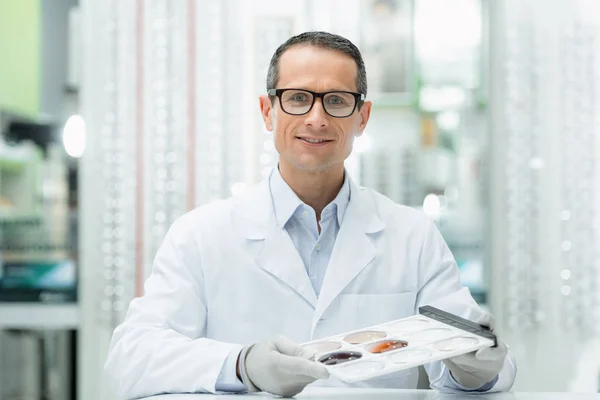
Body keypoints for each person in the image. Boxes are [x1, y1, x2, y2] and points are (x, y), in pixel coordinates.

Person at [105, 31, 516, 399]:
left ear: (362, 117)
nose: (316, 118)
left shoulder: (412, 235)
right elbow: (131, 359)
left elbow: (473, 356)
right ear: (268, 111)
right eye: (298, 98)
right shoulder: (201, 234)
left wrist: (476, 369)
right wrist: (241, 365)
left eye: (336, 101)